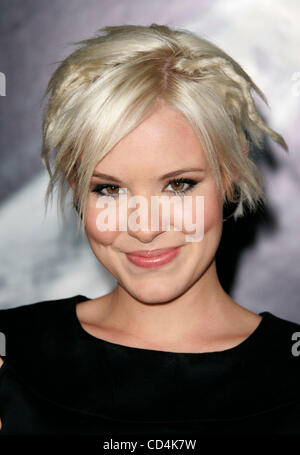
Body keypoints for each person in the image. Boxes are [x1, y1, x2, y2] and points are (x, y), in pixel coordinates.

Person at [0, 23, 299, 436]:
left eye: (178, 185)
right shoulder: (10, 355)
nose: (144, 228)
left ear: (230, 171)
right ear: (75, 189)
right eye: (108, 189)